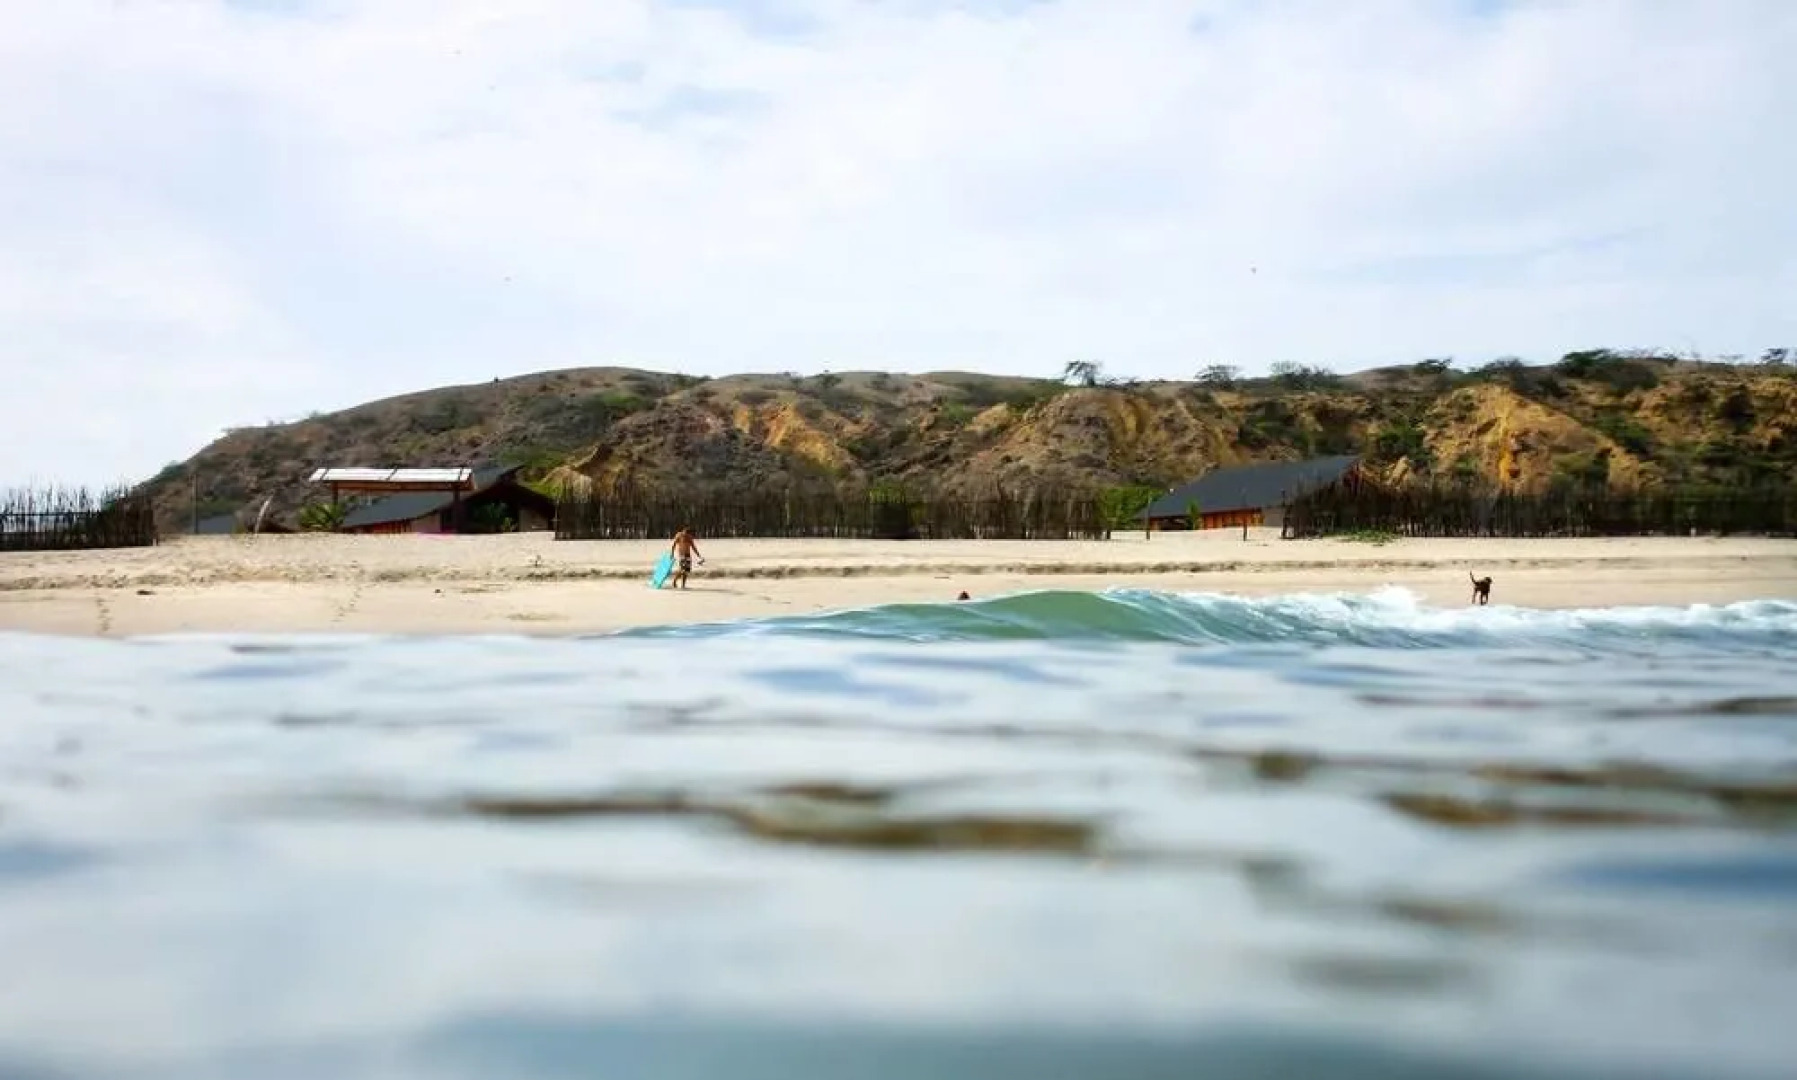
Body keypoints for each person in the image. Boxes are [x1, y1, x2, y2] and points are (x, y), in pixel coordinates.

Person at [671, 526, 704, 590]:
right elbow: (674, 545)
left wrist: (698, 555)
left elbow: (693, 547)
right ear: (683, 531)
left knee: (686, 571)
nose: (686, 535)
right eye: (685, 533)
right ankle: (674, 581)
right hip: (681, 555)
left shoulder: (689, 538)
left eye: (687, 534)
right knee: (682, 570)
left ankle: (683, 585)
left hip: (688, 555)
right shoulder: (679, 535)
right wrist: (672, 554)